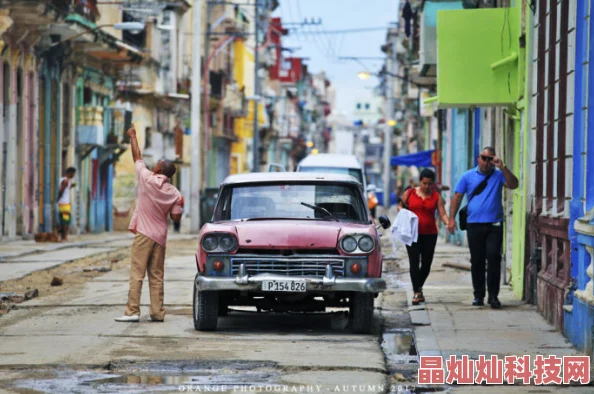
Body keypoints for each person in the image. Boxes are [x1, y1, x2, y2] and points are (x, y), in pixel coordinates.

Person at [115, 126, 183, 323]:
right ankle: (156, 312)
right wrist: (181, 204)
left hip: (144, 234)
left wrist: (133, 136)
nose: (154, 166)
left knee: (137, 274)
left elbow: (137, 156)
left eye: (157, 165)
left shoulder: (146, 179)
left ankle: (132, 311)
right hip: (160, 237)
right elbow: (176, 219)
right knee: (156, 275)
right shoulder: (175, 193)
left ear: (159, 169)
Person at [446, 147, 519, 309]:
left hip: (494, 224)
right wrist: (451, 219)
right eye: (484, 158)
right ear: (478, 158)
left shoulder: (499, 175)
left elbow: (514, 185)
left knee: (494, 257)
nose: (486, 162)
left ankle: (493, 295)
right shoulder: (467, 176)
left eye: (490, 159)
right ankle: (478, 295)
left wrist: (503, 167)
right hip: (474, 224)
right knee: (477, 260)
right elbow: (457, 197)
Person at [398, 168, 450, 305]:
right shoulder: (409, 193)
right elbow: (400, 206)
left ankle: (418, 288)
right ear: (419, 181)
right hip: (412, 234)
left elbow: (442, 213)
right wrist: (404, 213)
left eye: (430, 184)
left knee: (426, 264)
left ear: (433, 184)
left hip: (430, 234)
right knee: (414, 262)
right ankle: (416, 292)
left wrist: (448, 223)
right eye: (424, 183)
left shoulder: (436, 197)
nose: (427, 187)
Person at [57, 167, 76, 242]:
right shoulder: (65, 181)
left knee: (63, 220)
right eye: (73, 173)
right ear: (70, 173)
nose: (73, 175)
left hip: (63, 203)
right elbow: (61, 190)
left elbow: (65, 189)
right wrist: (58, 199)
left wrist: (71, 186)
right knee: (66, 221)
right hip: (64, 204)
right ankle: (64, 237)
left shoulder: (64, 180)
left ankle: (63, 236)